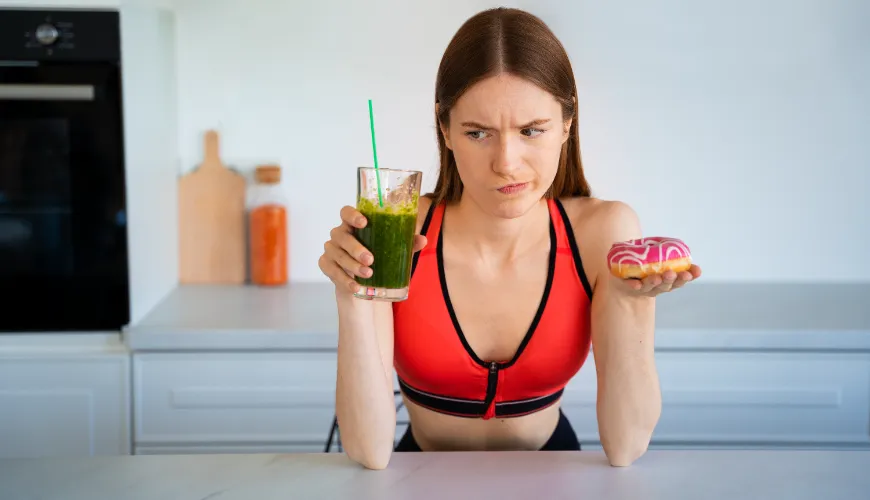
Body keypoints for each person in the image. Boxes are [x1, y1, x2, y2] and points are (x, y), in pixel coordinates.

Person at [318, 7, 702, 470]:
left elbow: (626, 446)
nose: (506, 162)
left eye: (531, 130)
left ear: (567, 124)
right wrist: (353, 296)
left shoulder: (601, 232)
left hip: (552, 469)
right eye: (478, 132)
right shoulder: (399, 228)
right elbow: (368, 451)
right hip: (420, 475)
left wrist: (632, 300)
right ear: (445, 129)